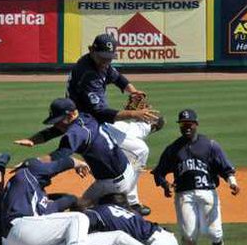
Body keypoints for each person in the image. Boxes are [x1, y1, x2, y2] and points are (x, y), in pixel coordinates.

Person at [16, 34, 161, 215]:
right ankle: (131, 200)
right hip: (97, 122)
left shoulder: (98, 63)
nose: (106, 62)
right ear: (91, 50)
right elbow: (100, 113)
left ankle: (129, 201)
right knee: (140, 149)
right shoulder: (89, 75)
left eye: (109, 58)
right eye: (102, 57)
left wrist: (132, 91)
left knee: (136, 148)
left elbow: (116, 77)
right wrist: (134, 113)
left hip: (93, 127)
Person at [151, 109, 240, 245]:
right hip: (184, 195)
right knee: (189, 235)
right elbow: (158, 172)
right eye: (183, 124)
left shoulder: (210, 145)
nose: (186, 127)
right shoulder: (173, 149)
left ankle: (218, 240)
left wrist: (233, 183)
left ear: (196, 124)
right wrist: (165, 185)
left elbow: (225, 167)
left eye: (189, 124)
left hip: (208, 192)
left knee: (214, 233)